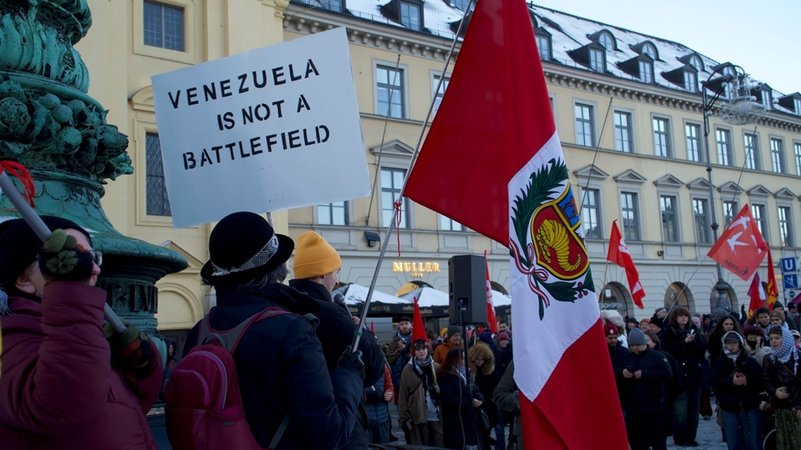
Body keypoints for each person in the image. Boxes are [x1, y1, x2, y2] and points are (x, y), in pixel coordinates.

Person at [182, 212, 363, 449]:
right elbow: (328, 436)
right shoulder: (292, 331)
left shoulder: (200, 331)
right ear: (277, 268)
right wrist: (349, 374)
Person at [0, 216, 164, 449]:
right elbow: (64, 405)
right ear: (23, 278)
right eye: (74, 257)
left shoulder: (76, 332)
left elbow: (124, 409)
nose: (94, 268)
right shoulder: (11, 341)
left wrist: (139, 367)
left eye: (91, 257)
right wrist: (71, 294)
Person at [288, 231, 385, 449]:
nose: (337, 279)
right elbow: (373, 368)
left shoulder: (287, 305)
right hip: (340, 419)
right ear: (322, 273)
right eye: (335, 271)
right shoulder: (330, 313)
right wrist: (363, 333)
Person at [619, 328, 673, 450]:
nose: (635, 348)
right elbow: (617, 373)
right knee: (636, 441)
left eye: (637, 345)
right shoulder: (627, 357)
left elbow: (667, 374)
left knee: (657, 441)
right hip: (634, 408)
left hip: (654, 406)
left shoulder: (657, 356)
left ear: (644, 344)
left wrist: (645, 374)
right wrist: (623, 373)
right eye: (632, 345)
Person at [710, 331, 763, 450]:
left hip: (750, 406)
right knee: (733, 442)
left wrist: (747, 382)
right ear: (725, 344)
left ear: (740, 344)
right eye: (729, 343)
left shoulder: (750, 361)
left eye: (734, 343)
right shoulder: (719, 362)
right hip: (729, 407)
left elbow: (760, 382)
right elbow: (714, 382)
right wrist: (730, 381)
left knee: (754, 441)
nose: (732, 345)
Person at [661, 306, 706, 447]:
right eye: (680, 316)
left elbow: (701, 351)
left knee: (694, 409)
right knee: (681, 410)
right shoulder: (668, 332)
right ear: (675, 317)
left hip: (694, 375)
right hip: (678, 376)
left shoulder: (694, 331)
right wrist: (684, 342)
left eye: (685, 316)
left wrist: (693, 341)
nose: (683, 318)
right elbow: (667, 350)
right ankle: (680, 437)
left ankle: (691, 437)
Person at [398, 339, 443, 447]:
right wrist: (405, 417)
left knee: (439, 444)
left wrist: (440, 391)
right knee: (420, 446)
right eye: (418, 349)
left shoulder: (436, 367)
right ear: (414, 352)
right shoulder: (408, 369)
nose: (421, 352)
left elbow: (446, 390)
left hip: (436, 415)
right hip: (418, 416)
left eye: (423, 349)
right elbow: (403, 395)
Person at [762, 325, 801, 450]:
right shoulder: (769, 359)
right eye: (771, 338)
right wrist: (775, 392)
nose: (774, 341)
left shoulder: (798, 357)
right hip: (780, 408)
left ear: (786, 339)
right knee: (783, 443)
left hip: (797, 408)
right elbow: (766, 381)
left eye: (777, 338)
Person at [438, 348, 483, 449]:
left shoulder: (467, 373)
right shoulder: (447, 376)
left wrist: (480, 398)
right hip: (456, 420)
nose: (464, 360)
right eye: (462, 358)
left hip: (470, 418)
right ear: (454, 359)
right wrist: (469, 402)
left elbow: (475, 390)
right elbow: (448, 398)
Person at [468, 342, 500, 450]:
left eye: (481, 359)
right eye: (477, 360)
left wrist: (486, 402)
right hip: (476, 405)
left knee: (488, 429)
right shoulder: (471, 373)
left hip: (489, 405)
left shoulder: (492, 371)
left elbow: (497, 388)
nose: (479, 362)